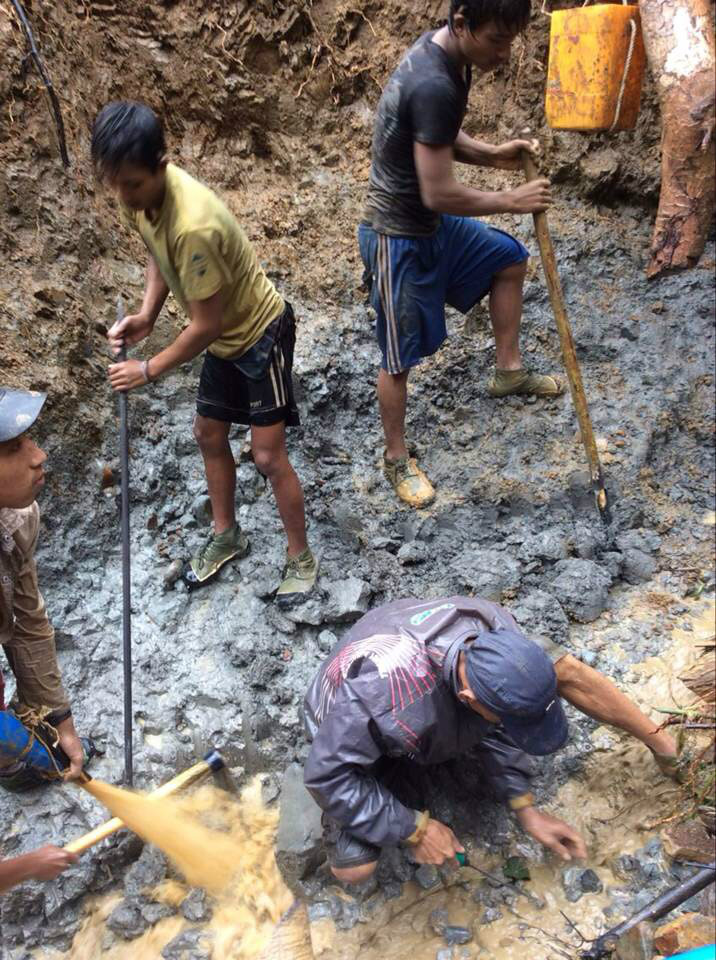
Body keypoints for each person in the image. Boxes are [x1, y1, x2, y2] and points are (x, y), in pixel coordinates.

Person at [93, 101, 318, 601]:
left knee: (267, 454)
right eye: (117, 184)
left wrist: (146, 368)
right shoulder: (146, 199)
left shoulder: (193, 225)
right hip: (225, 336)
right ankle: (227, 535)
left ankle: (300, 554)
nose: (123, 196)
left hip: (260, 333)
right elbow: (157, 251)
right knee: (208, 431)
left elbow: (205, 324)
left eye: (131, 183)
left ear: (160, 164)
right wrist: (147, 316)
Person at [303, 596, 679, 884]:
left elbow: (496, 725)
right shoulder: (391, 699)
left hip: (414, 671)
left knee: (526, 689)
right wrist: (414, 828)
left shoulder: (495, 630)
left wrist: (525, 808)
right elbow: (327, 775)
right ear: (469, 700)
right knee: (355, 869)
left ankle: (427, 761)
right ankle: (398, 777)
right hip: (345, 718)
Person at [359, 0, 563, 508]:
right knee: (398, 356)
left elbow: (439, 134)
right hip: (396, 234)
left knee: (508, 259)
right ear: (461, 24)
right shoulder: (433, 81)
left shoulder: (452, 58)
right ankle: (395, 458)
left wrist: (491, 155)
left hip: (431, 224)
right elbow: (437, 192)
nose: (505, 52)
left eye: (510, 40)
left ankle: (508, 370)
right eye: (496, 39)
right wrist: (509, 200)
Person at [0, 388, 94, 890]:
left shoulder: (15, 518)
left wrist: (59, 719)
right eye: (13, 449)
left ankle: (16, 755)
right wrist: (19, 869)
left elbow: (27, 620)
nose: (39, 455)